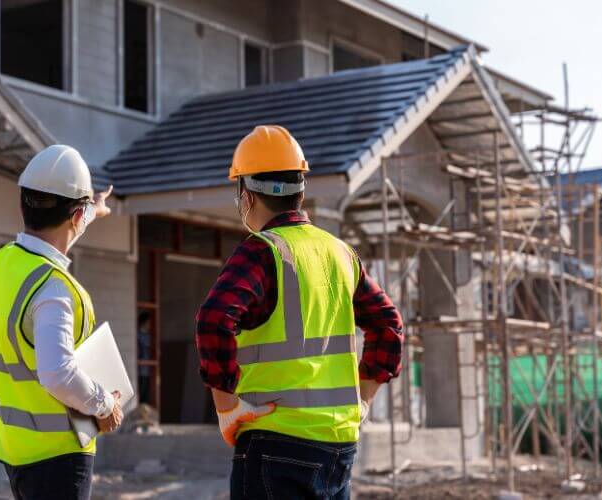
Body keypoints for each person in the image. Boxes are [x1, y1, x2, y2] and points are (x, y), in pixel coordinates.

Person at [195, 126, 404, 499]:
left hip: (276, 443)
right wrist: (364, 400)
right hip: (339, 447)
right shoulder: (340, 252)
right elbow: (389, 326)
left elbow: (214, 319)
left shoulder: (262, 250)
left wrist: (226, 407)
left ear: (246, 194)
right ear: (301, 190)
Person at [0, 145, 124, 500]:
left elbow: (58, 231)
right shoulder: (53, 288)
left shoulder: (4, 262)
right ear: (74, 216)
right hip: (57, 456)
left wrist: (93, 209)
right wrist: (103, 404)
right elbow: (57, 372)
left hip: (16, 448)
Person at [137, 311, 153, 404]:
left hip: (149, 370)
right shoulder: (138, 334)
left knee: (147, 396)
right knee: (141, 395)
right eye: (149, 322)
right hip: (141, 370)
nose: (150, 324)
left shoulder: (151, 335)